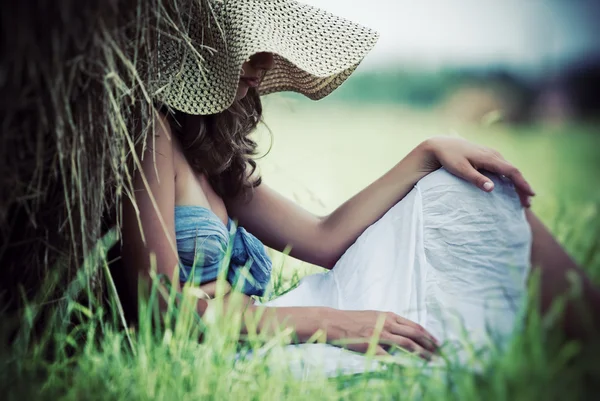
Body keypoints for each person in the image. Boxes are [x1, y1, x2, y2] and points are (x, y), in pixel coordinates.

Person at [114, 0, 600, 375]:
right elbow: (158, 307)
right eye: (247, 43)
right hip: (238, 350)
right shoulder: (152, 130)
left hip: (274, 326)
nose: (262, 62)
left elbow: (325, 238)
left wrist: (428, 152)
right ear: (201, 43)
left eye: (269, 45)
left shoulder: (212, 158)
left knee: (473, 193)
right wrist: (335, 322)